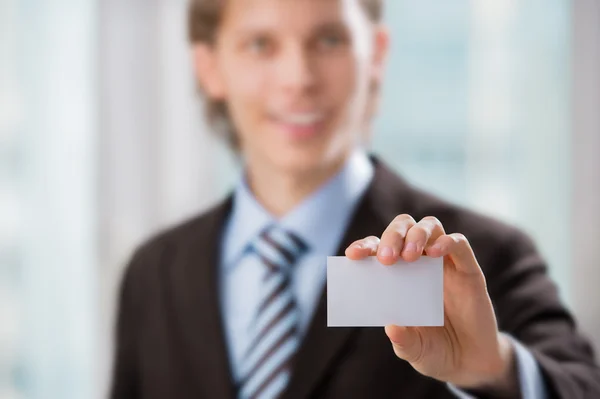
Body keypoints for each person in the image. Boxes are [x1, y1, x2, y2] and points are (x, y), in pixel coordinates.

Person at [110, 0, 600, 398]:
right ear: (210, 67)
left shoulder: (480, 257)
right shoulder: (154, 273)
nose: (298, 77)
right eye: (260, 44)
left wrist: (494, 370)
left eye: (329, 40)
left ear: (377, 55)